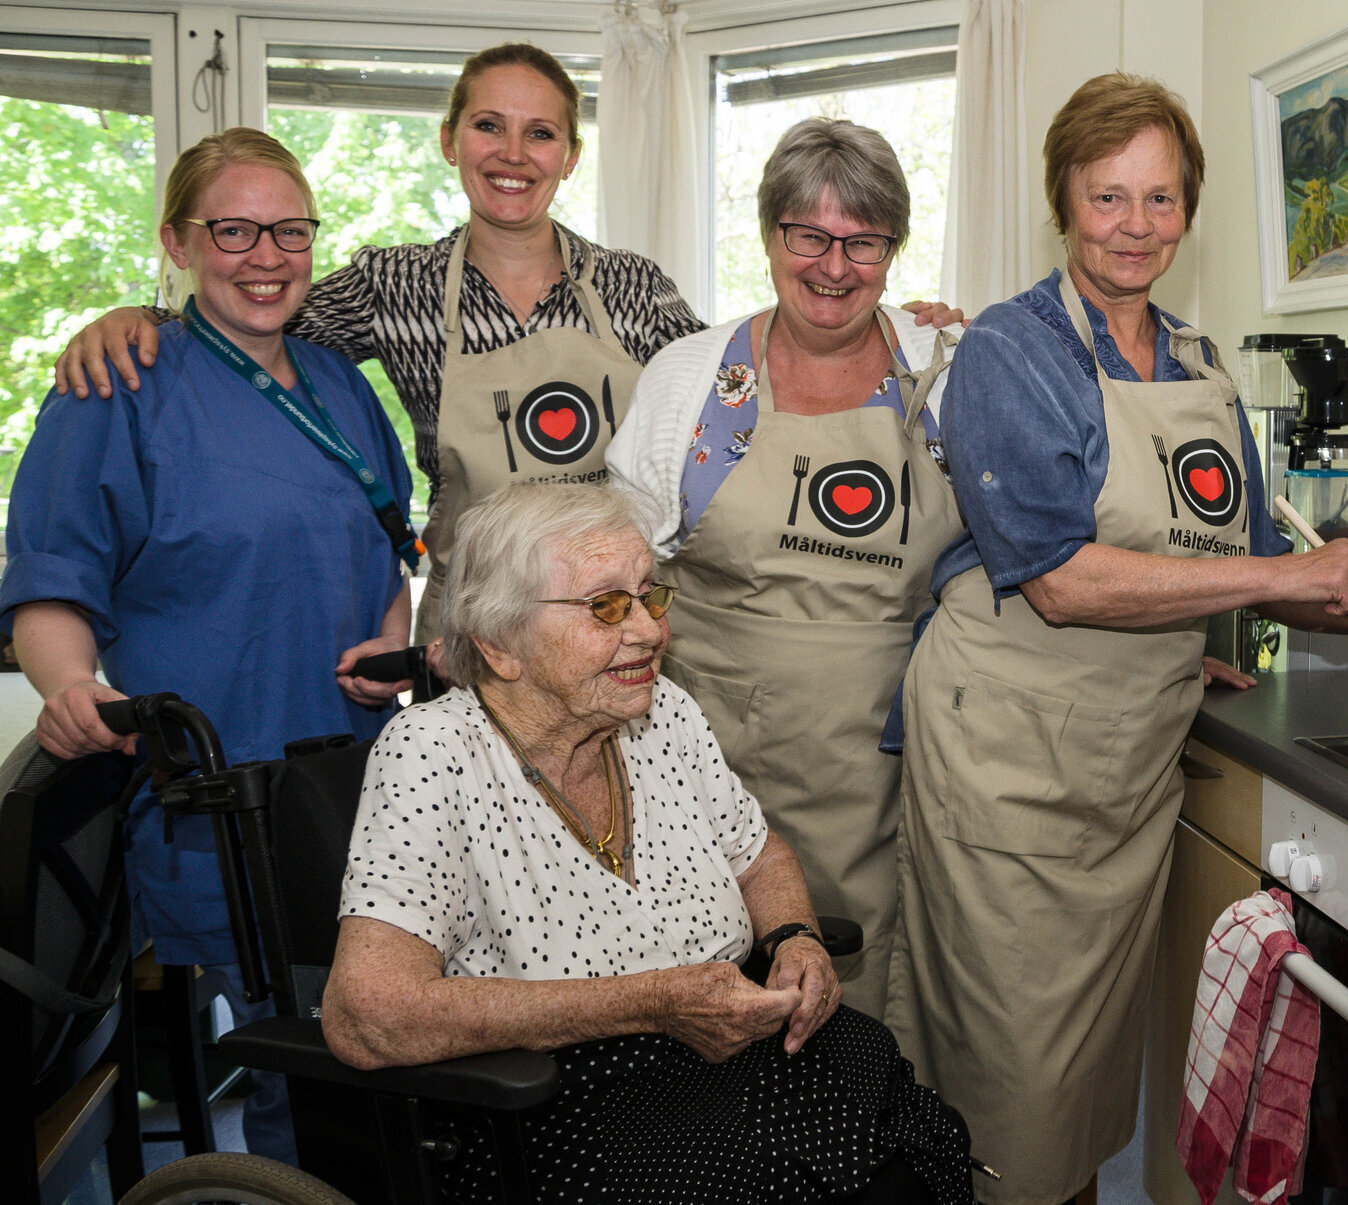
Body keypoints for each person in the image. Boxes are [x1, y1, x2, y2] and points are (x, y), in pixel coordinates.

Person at [885, 74, 1348, 1205]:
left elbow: (1241, 551)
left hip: (1124, 756)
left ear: (1189, 206)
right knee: (1009, 1080)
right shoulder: (1011, 354)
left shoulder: (1195, 361)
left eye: (1160, 199)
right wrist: (1281, 573)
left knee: (1076, 1084)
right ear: (1062, 202)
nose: (1136, 227)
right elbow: (1065, 581)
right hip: (1007, 763)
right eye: (1108, 198)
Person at [52, 43, 959, 639]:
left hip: (609, 626)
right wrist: (145, 318)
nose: (512, 153)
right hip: (467, 633)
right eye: (489, 125)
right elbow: (248, 316)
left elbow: (748, 386)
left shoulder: (633, 290)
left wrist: (900, 329)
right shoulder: (391, 285)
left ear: (570, 155)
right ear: (450, 140)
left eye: (541, 133)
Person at [320, 482, 971, 1204]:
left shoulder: (663, 715)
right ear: (501, 645)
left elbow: (759, 854)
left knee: (910, 1132)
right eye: (606, 606)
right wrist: (651, 1003)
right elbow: (367, 1015)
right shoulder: (433, 752)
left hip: (732, 1060)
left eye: (648, 595)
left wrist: (796, 939)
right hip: (562, 1101)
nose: (650, 629)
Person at [0, 127, 418, 1164]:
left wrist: (393, 631)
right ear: (178, 241)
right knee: (303, 1051)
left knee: (384, 1038)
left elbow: (387, 545)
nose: (264, 255)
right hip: (216, 787)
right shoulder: (118, 384)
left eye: (288, 230)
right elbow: (52, 579)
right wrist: (66, 686)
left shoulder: (342, 384)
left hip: (360, 775)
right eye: (232, 229)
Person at [607, 118, 961, 1017]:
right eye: (809, 236)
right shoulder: (691, 377)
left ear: (894, 249)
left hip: (886, 764)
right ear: (770, 237)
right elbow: (616, 570)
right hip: (706, 759)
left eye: (863, 241)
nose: (834, 266)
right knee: (707, 992)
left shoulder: (946, 371)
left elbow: (1028, 544)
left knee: (861, 991)